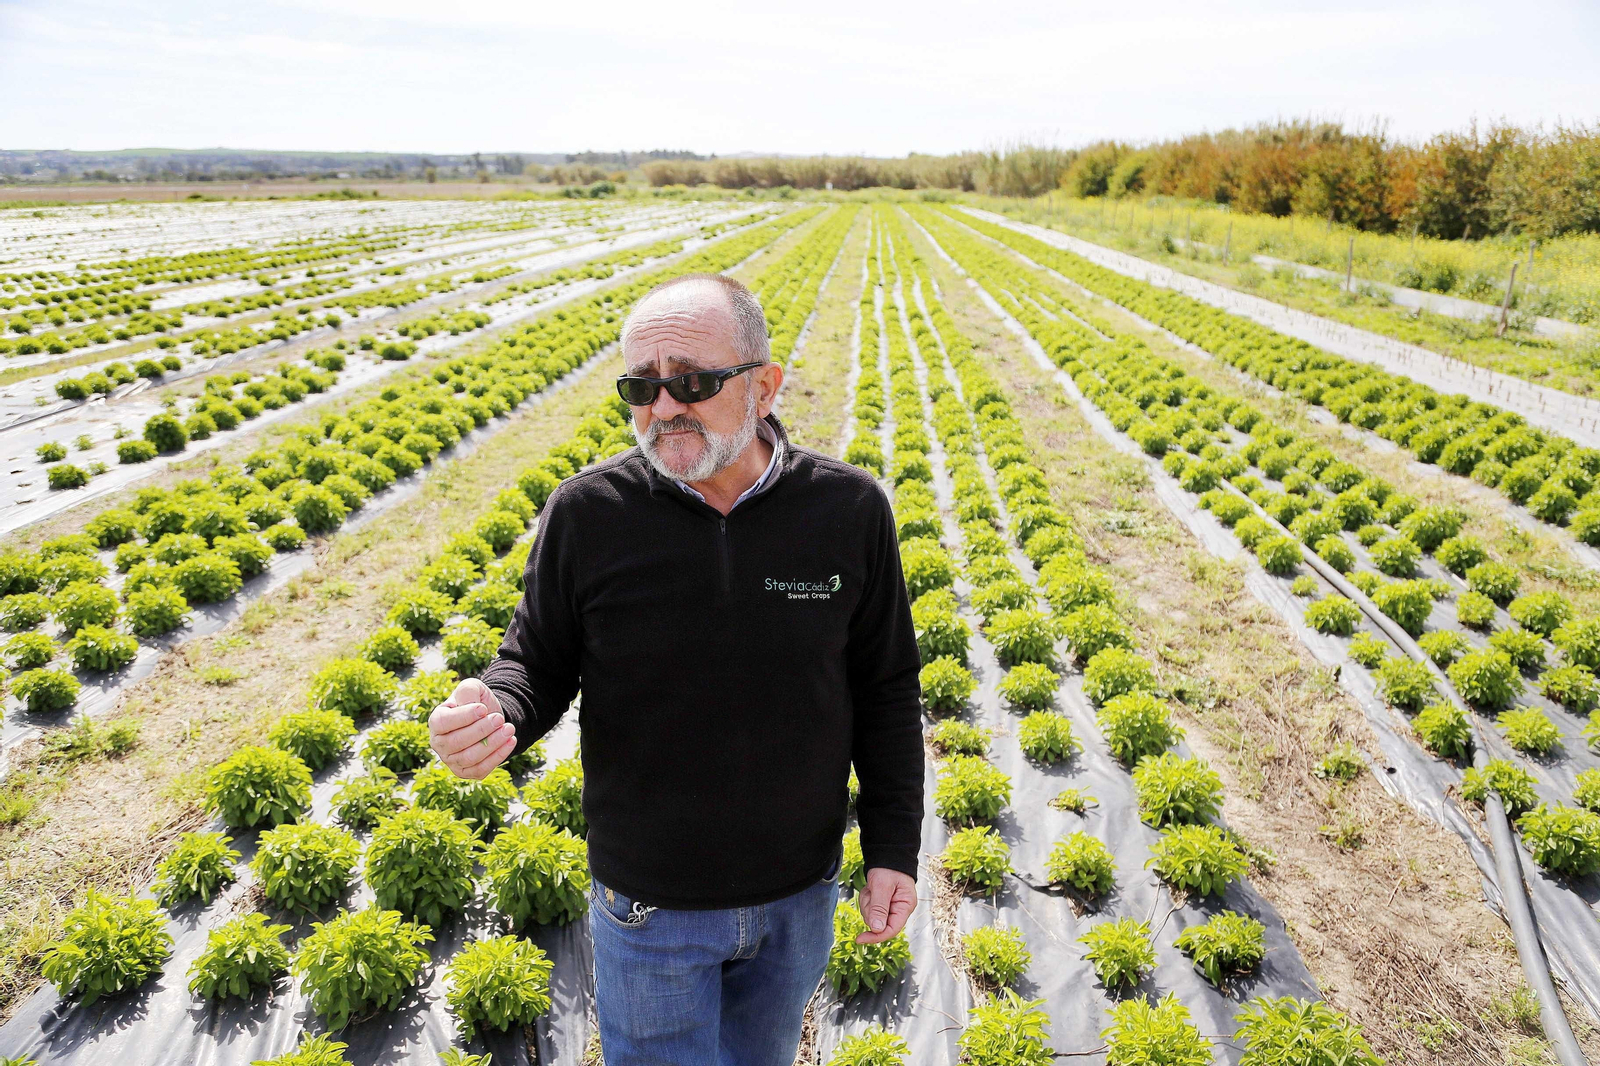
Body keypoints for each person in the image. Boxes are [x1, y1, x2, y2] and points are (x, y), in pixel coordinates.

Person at [427, 272, 925, 1065]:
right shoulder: (590, 514)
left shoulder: (846, 510)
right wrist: (496, 713)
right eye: (641, 387)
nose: (663, 408)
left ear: (764, 388)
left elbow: (886, 687)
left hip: (798, 894)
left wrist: (894, 844)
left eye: (691, 381)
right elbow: (535, 662)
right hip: (648, 905)